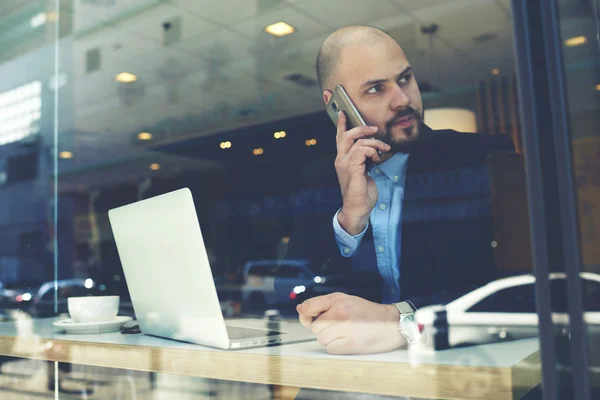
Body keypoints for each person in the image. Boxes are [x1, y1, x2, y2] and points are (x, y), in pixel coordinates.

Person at [285, 25, 515, 355]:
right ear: (336, 104)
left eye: (405, 79)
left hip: (460, 365)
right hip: (354, 373)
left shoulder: (481, 157)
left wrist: (398, 319)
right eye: (377, 88)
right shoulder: (320, 176)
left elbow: (507, 290)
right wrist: (350, 220)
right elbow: (291, 292)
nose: (403, 99)